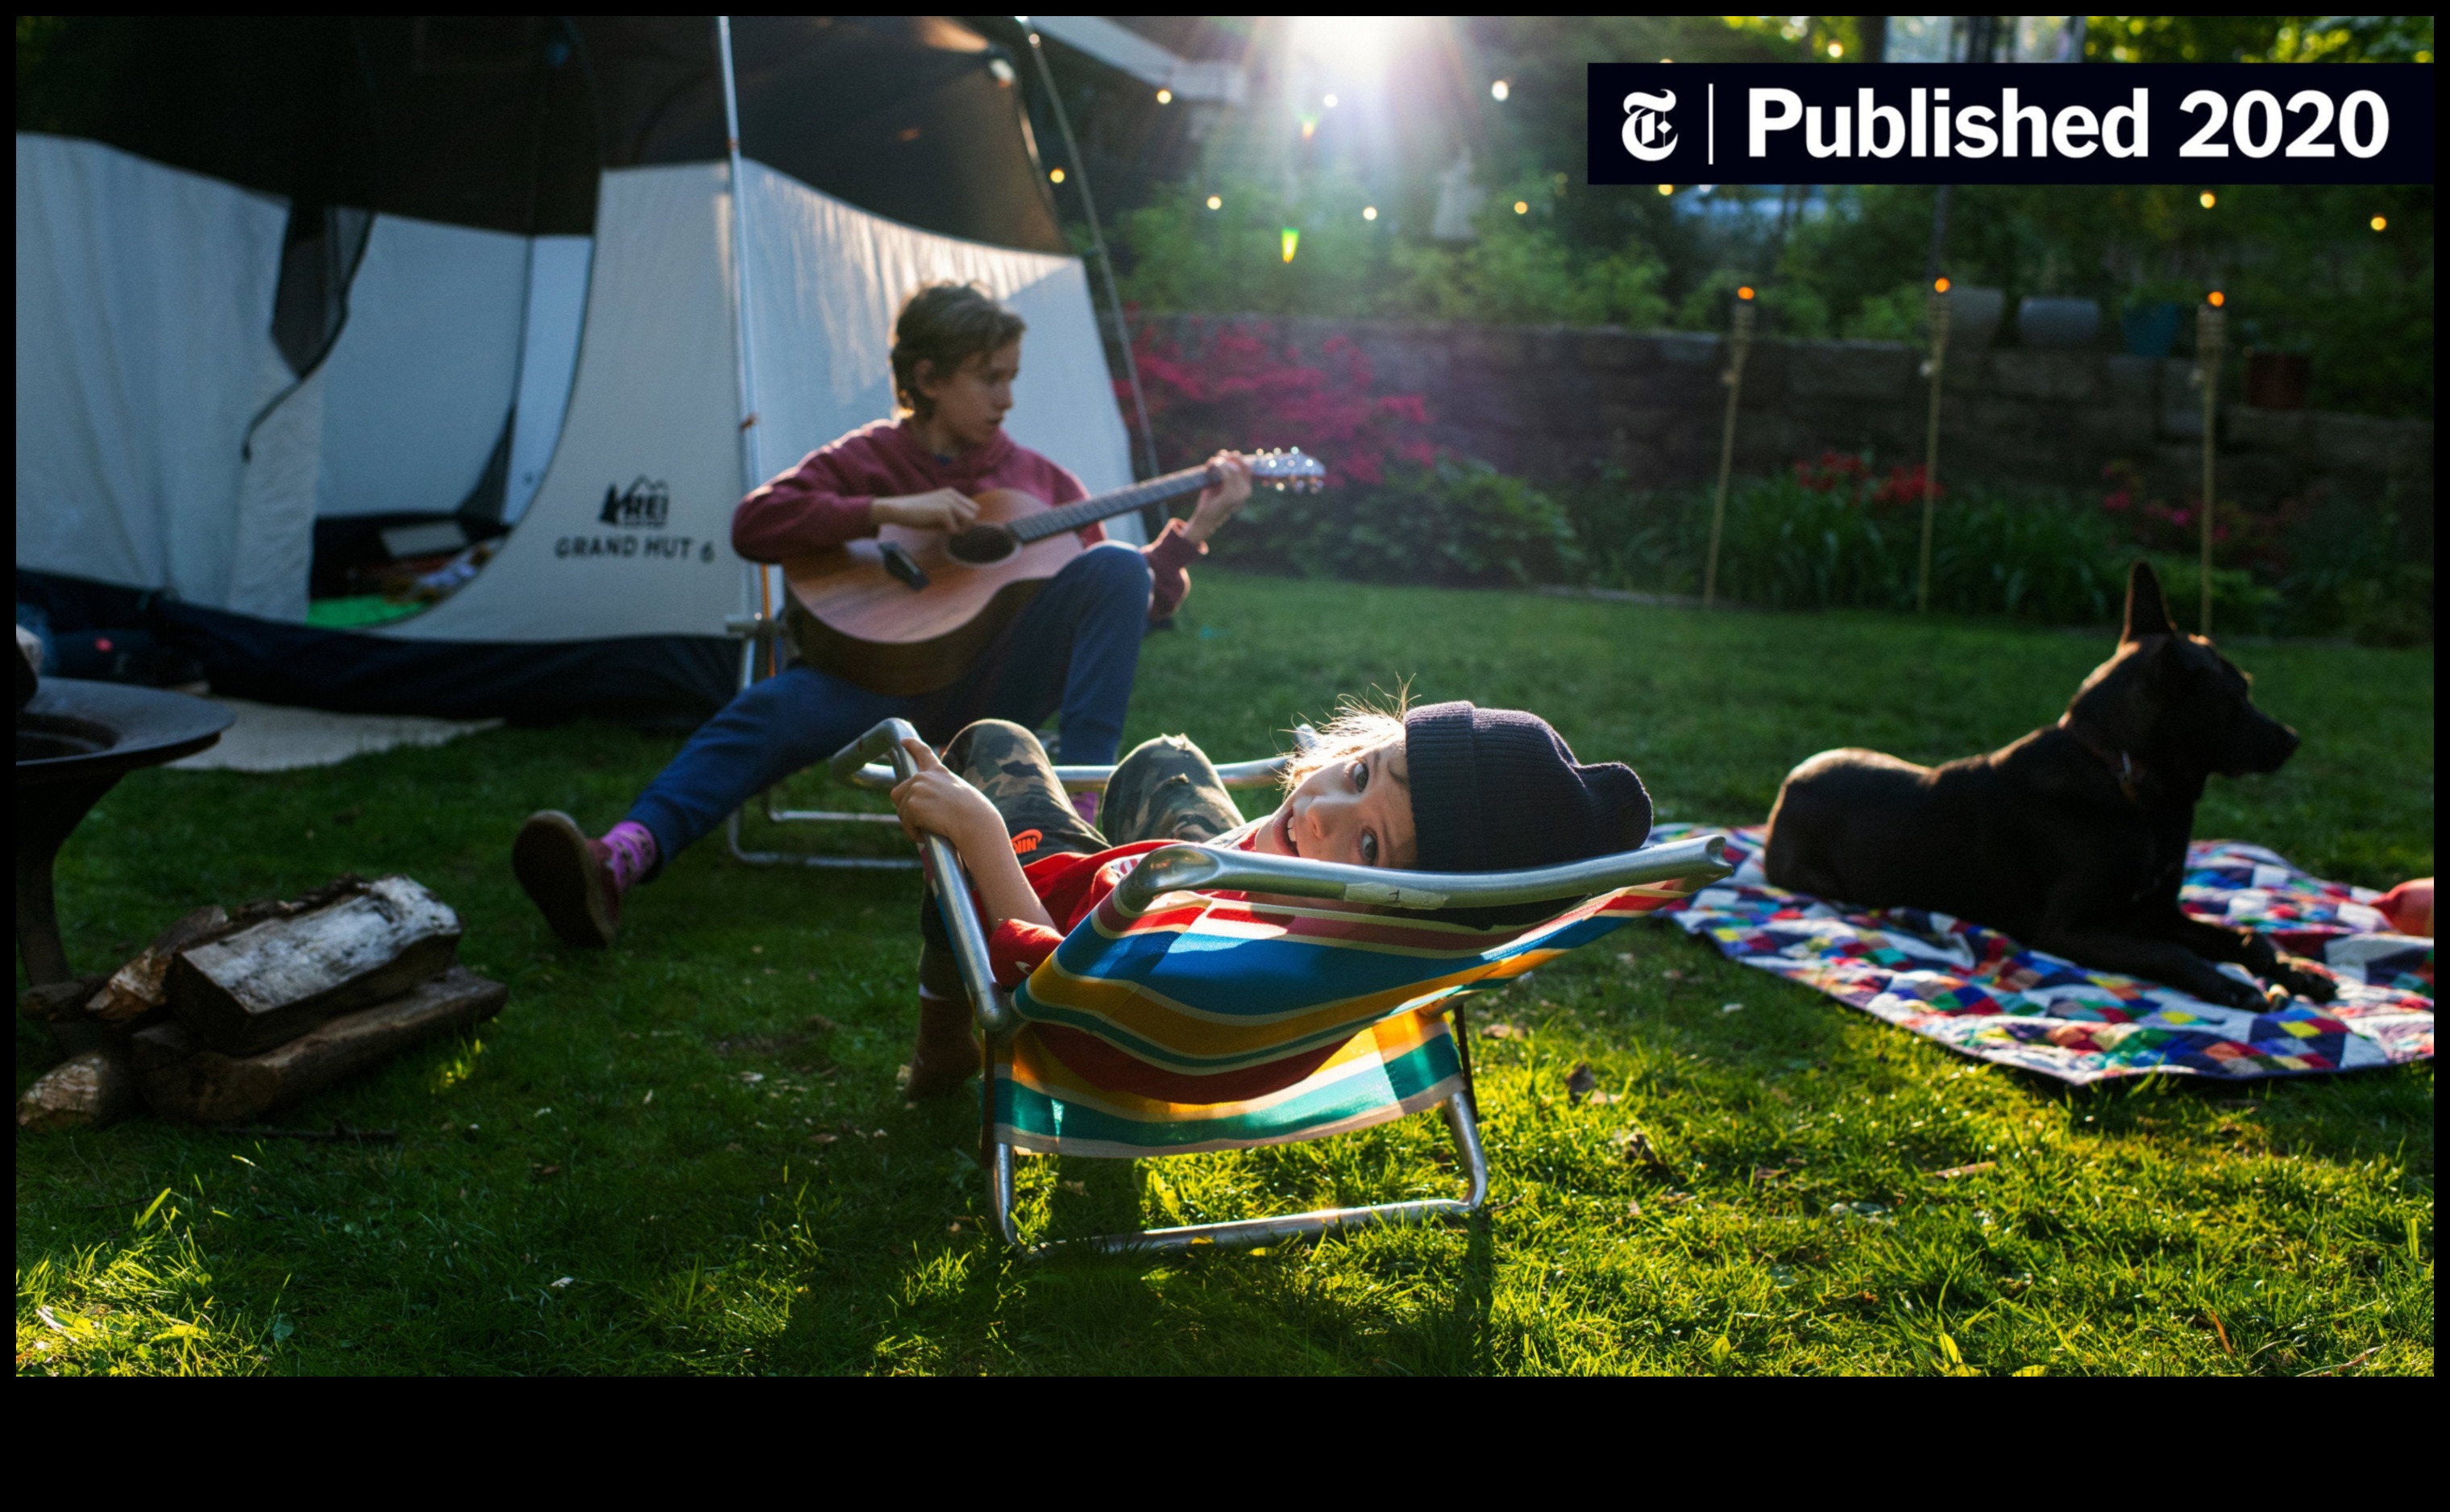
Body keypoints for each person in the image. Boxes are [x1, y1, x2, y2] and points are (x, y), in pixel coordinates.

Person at [513, 283, 1252, 948]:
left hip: (999, 695)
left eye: (1011, 378)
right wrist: (887, 510)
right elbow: (755, 525)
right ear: (928, 379)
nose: (1007, 399)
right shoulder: (866, 457)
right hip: (873, 681)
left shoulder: (1041, 482)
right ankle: (616, 860)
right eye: (989, 378)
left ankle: (1078, 820)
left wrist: (1190, 532)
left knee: (1115, 563)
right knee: (760, 716)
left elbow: (1128, 599)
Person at [885, 697, 1654, 1098]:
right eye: (1359, 774)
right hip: (1213, 916)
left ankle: (941, 1041)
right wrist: (1331, 840)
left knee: (991, 746)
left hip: (1063, 916)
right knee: (1168, 762)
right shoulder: (1362, 940)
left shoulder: (1179, 942)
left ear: (1402, 897)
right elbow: (1318, 822)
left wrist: (980, 830)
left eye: (1369, 846)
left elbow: (1048, 989)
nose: (1320, 812)